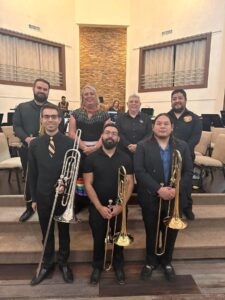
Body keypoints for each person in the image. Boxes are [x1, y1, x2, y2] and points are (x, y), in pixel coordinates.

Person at [134, 113, 193, 282]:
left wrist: (176, 189)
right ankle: (150, 262)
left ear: (172, 127)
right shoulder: (142, 145)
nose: (162, 126)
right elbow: (139, 171)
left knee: (171, 233)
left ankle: (167, 261)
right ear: (153, 127)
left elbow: (188, 171)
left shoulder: (182, 146)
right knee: (151, 232)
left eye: (166, 123)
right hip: (151, 197)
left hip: (175, 197)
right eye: (158, 123)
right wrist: (158, 189)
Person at [29, 104, 74, 286]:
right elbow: (32, 174)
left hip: (62, 196)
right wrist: (33, 198)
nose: (50, 120)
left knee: (64, 232)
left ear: (59, 119)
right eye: (46, 117)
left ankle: (64, 262)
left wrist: (67, 186)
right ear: (41, 120)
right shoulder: (35, 144)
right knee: (46, 232)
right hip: (42, 194)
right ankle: (48, 263)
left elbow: (73, 171)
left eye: (54, 117)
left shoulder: (69, 143)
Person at [83, 123, 134, 285]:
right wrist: (99, 207)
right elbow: (88, 184)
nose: (110, 136)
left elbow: (130, 183)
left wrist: (121, 205)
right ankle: (97, 266)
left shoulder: (126, 158)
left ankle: (119, 265)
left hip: (120, 207)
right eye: (107, 133)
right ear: (102, 137)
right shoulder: (91, 158)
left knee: (119, 238)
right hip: (98, 207)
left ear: (118, 138)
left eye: (114, 133)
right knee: (98, 239)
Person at [13, 78, 59, 222]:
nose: (42, 91)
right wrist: (27, 139)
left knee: (49, 177)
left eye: (45, 89)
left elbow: (60, 128)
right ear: (33, 89)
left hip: (49, 149)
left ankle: (49, 205)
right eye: (39, 88)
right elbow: (17, 127)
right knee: (29, 178)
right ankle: (29, 207)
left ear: (48, 92)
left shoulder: (54, 108)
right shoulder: (22, 107)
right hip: (28, 149)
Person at [69, 85, 110, 211]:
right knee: (80, 176)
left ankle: (96, 201)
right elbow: (71, 133)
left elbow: (107, 133)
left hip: (99, 148)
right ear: (82, 97)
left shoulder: (104, 114)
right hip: (81, 149)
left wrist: (95, 147)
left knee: (98, 175)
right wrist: (84, 147)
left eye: (91, 93)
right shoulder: (75, 113)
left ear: (96, 96)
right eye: (86, 94)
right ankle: (81, 202)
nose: (89, 96)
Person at [168, 89, 202, 220]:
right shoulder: (166, 116)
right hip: (168, 156)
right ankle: (171, 207)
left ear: (185, 100)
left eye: (180, 98)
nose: (177, 101)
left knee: (186, 183)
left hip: (186, 156)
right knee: (170, 182)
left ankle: (187, 207)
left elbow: (196, 137)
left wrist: (183, 150)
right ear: (171, 101)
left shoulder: (194, 118)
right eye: (174, 98)